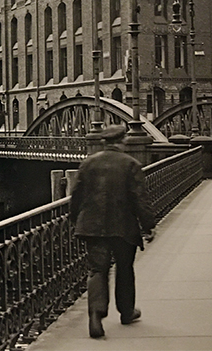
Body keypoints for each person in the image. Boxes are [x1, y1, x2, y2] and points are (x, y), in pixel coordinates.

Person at [70, 124, 156, 339]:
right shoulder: (131, 164)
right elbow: (140, 199)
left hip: (92, 226)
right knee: (125, 268)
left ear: (103, 142)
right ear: (123, 141)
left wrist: (76, 221)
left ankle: (96, 315)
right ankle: (127, 312)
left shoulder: (88, 163)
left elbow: (76, 197)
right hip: (123, 227)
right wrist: (148, 225)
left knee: (97, 270)